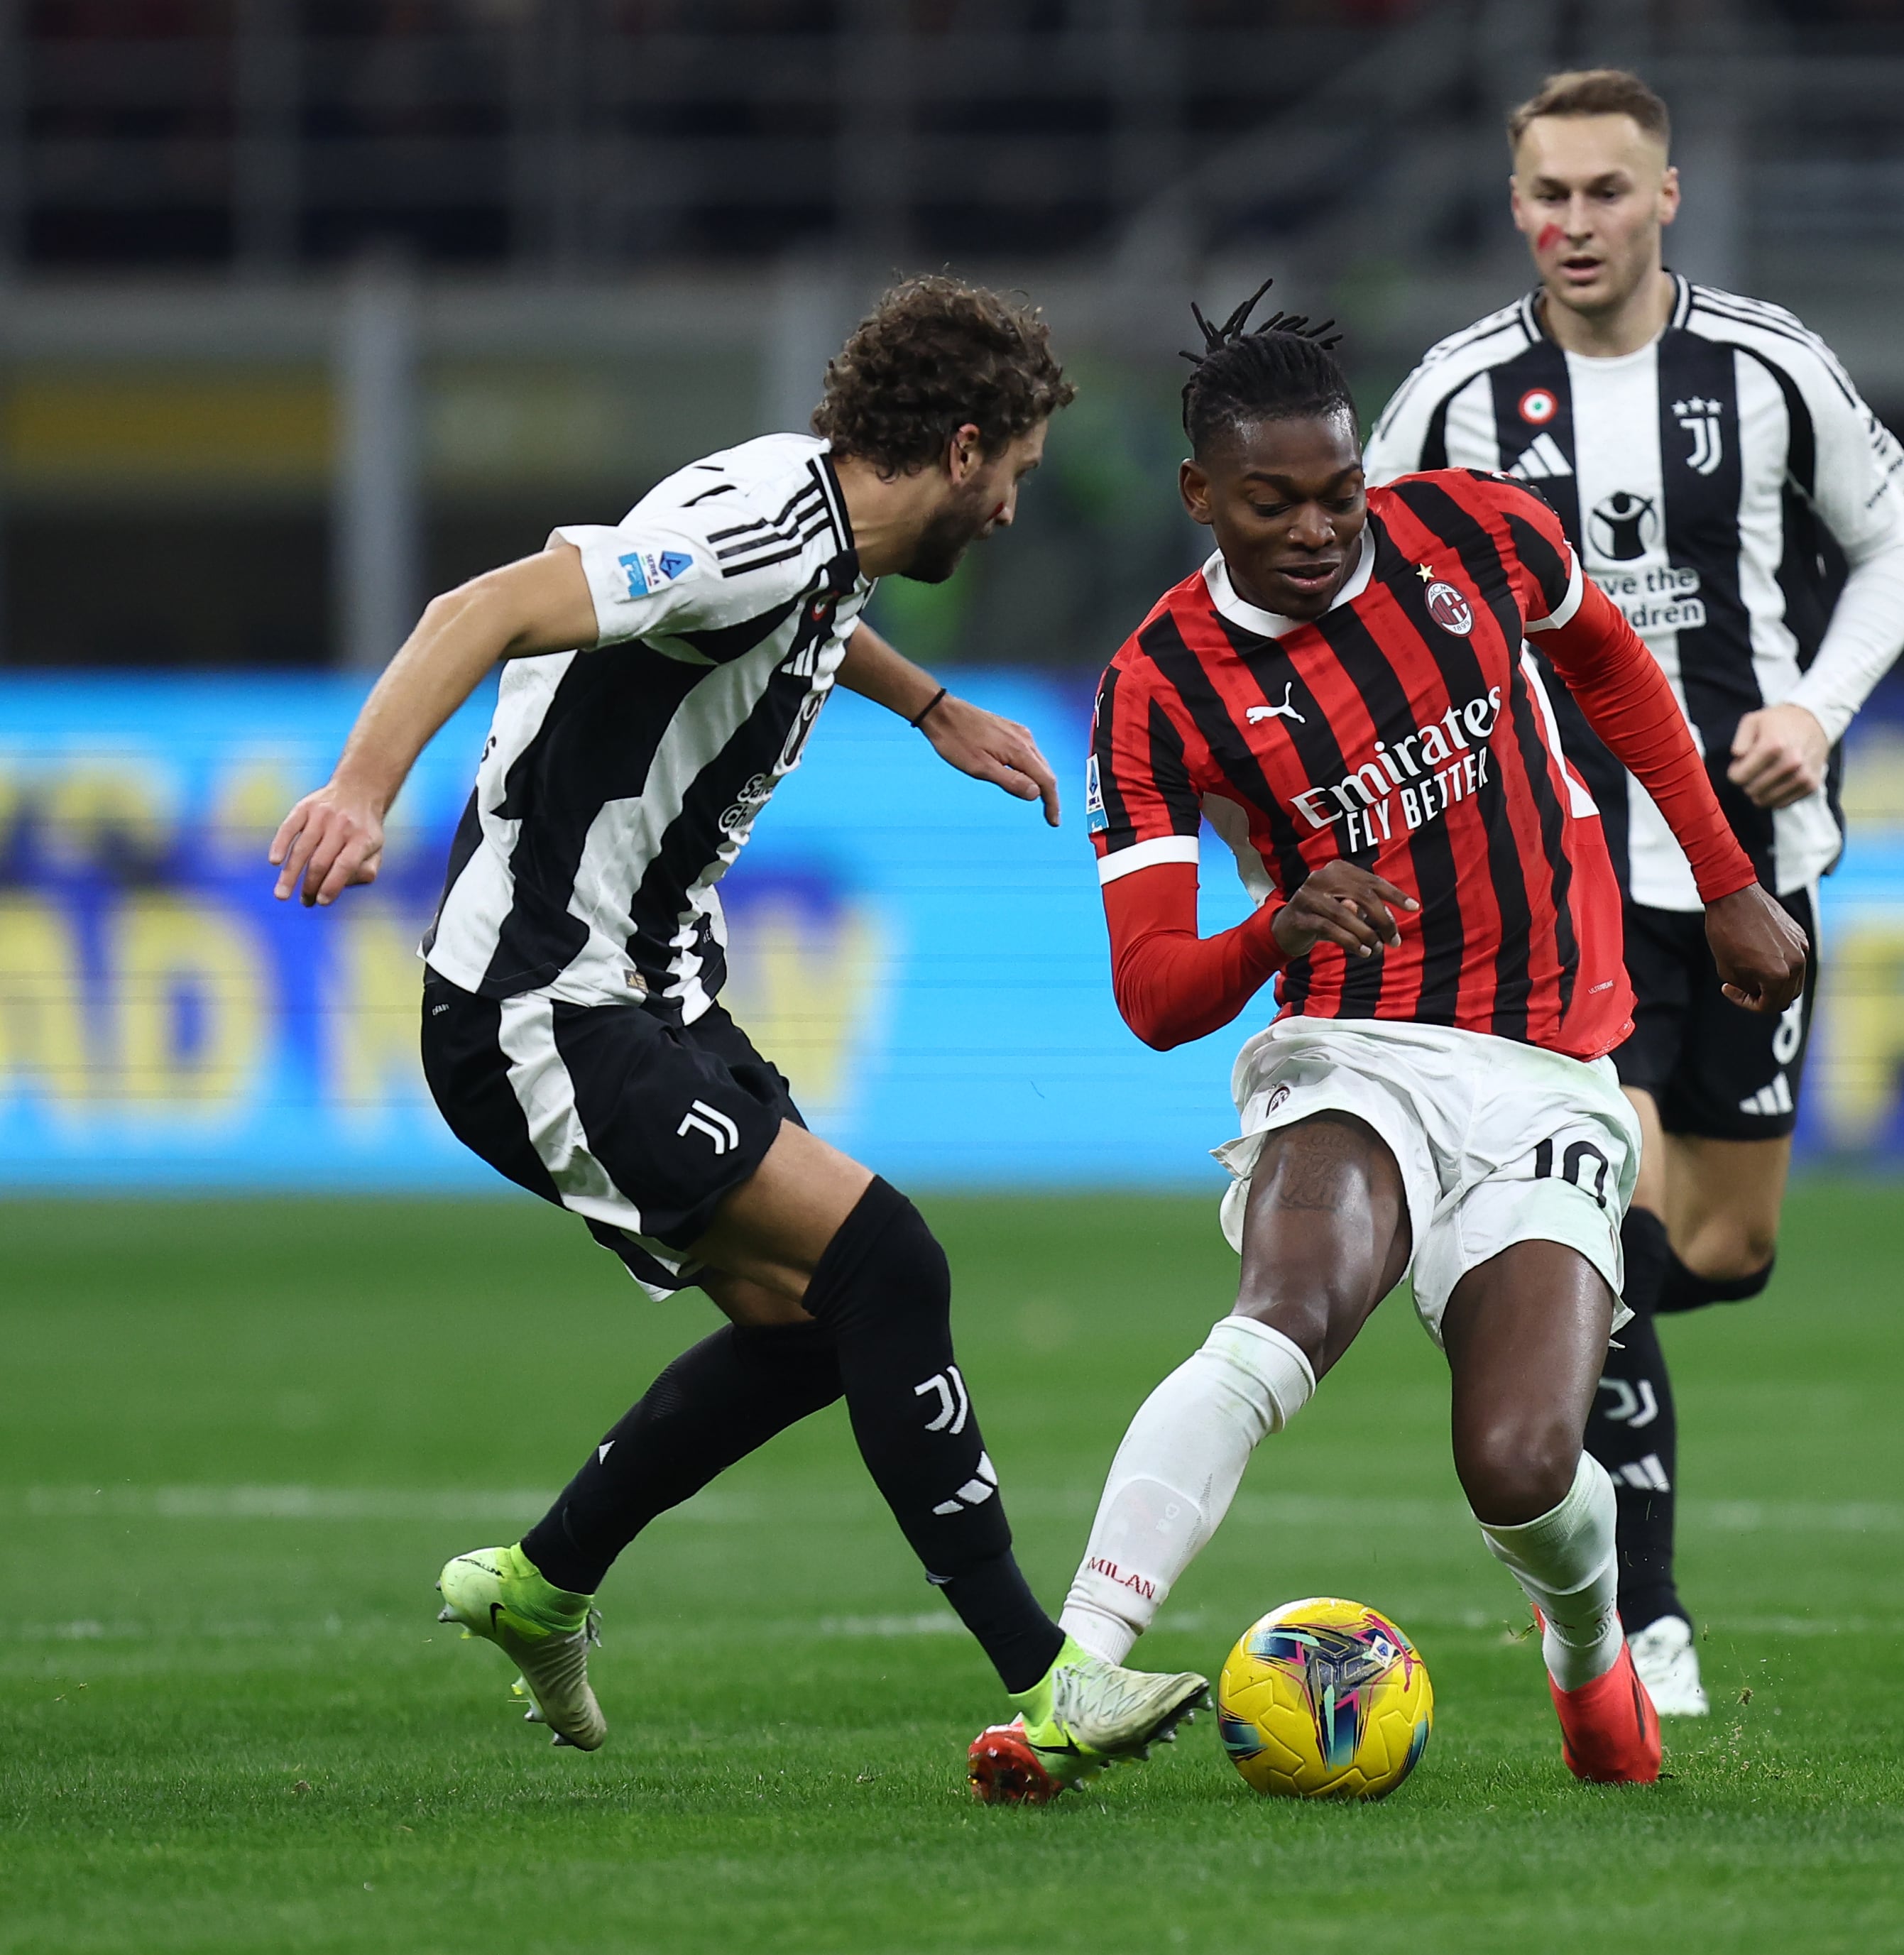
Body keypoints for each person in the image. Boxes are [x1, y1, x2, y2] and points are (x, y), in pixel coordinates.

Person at [265, 275, 1206, 1806]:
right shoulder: (754, 533)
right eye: (1017, 474)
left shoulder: (818, 518)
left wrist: (931, 709)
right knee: (887, 1261)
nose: (1014, 509)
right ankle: (1052, 1680)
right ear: (962, 448)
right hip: (540, 1008)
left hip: (652, 991)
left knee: (816, 1323)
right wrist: (361, 791)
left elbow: (808, 616)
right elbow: (477, 610)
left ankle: (540, 1582)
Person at [1055, 289, 1807, 1786]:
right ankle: (1074, 1668)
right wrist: (1275, 932)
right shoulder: (1156, 688)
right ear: (1200, 494)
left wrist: (1725, 881)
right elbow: (1151, 995)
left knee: (1519, 1468)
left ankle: (1589, 1650)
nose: (1319, 528)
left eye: (1338, 492)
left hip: (1549, 1061)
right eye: (1272, 503)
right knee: (1286, 1310)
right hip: (1354, 1046)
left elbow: (1612, 670)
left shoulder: (1471, 532)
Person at [1362, 68, 1904, 1716]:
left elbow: (1894, 551)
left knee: (1725, 1247)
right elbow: (1357, 580)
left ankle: (1519, 1300)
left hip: (1749, 865)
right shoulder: (1454, 397)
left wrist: (1812, 709)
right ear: (1514, 205)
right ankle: (1646, 1621)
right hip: (1557, 882)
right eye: (1547, 194)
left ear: (1665, 197)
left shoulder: (1767, 366)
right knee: (1605, 1211)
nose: (1575, 223)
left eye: (1605, 191)